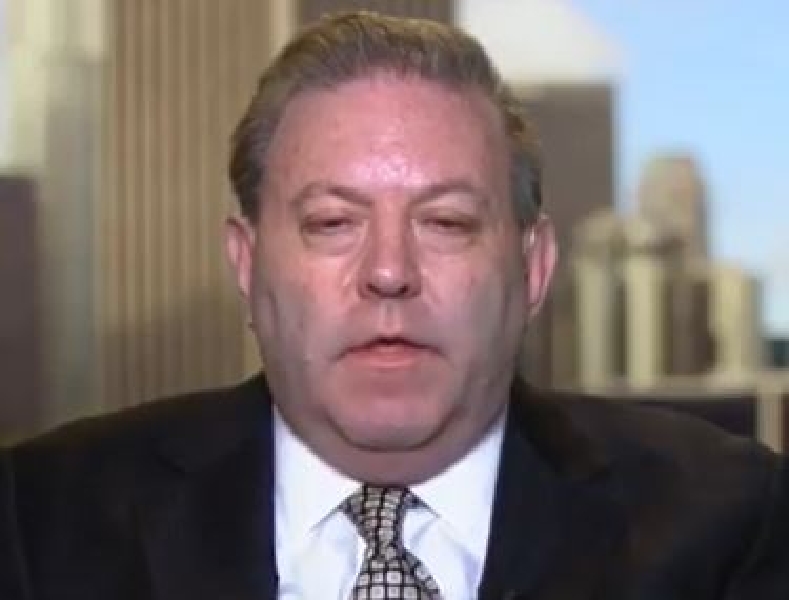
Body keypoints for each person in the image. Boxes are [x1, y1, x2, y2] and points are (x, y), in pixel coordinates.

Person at [1, 11, 788, 600]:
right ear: (246, 262)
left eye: (445, 222)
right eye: (331, 223)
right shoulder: (39, 521)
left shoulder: (730, 525)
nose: (387, 272)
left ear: (533, 267)